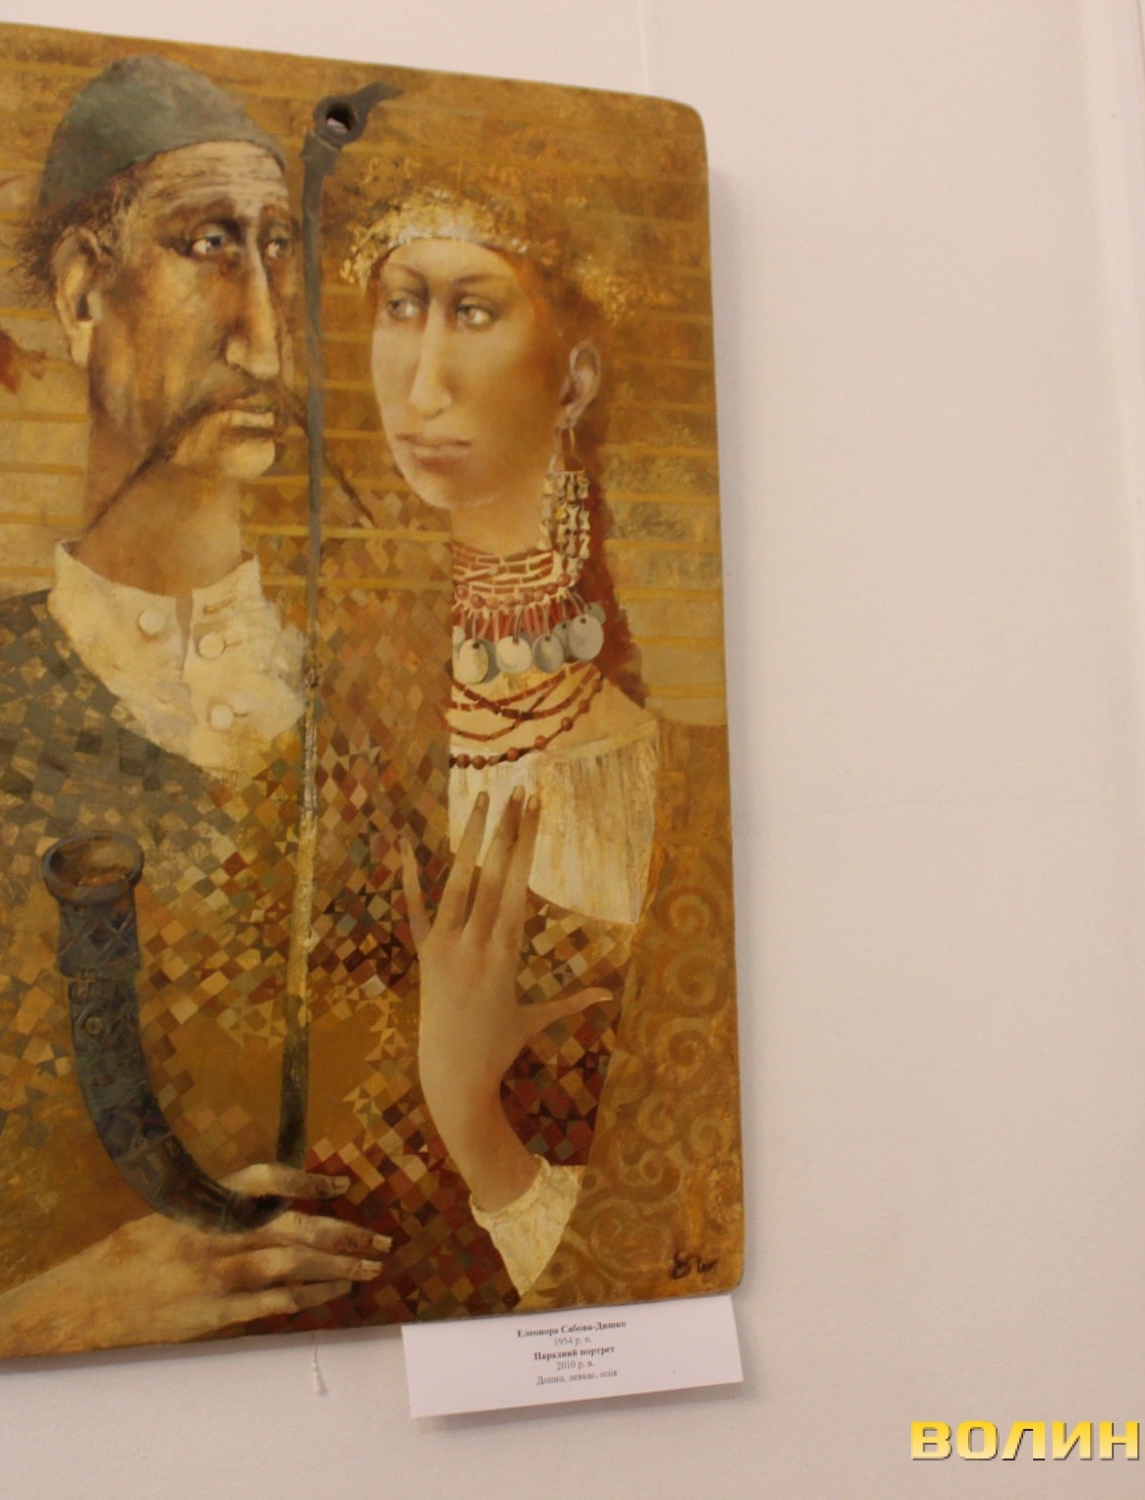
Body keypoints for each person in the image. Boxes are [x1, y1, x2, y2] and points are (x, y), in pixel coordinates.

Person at [0, 54, 397, 1358]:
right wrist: (48, 1314)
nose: (263, 335)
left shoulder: (378, 693)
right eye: (206, 246)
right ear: (82, 293)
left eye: (278, 251)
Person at [352, 188, 745, 1304]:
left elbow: (667, 1252)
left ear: (572, 381)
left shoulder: (681, 782)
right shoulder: (353, 726)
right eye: (400, 307)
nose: (422, 384)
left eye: (473, 311)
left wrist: (469, 1113)